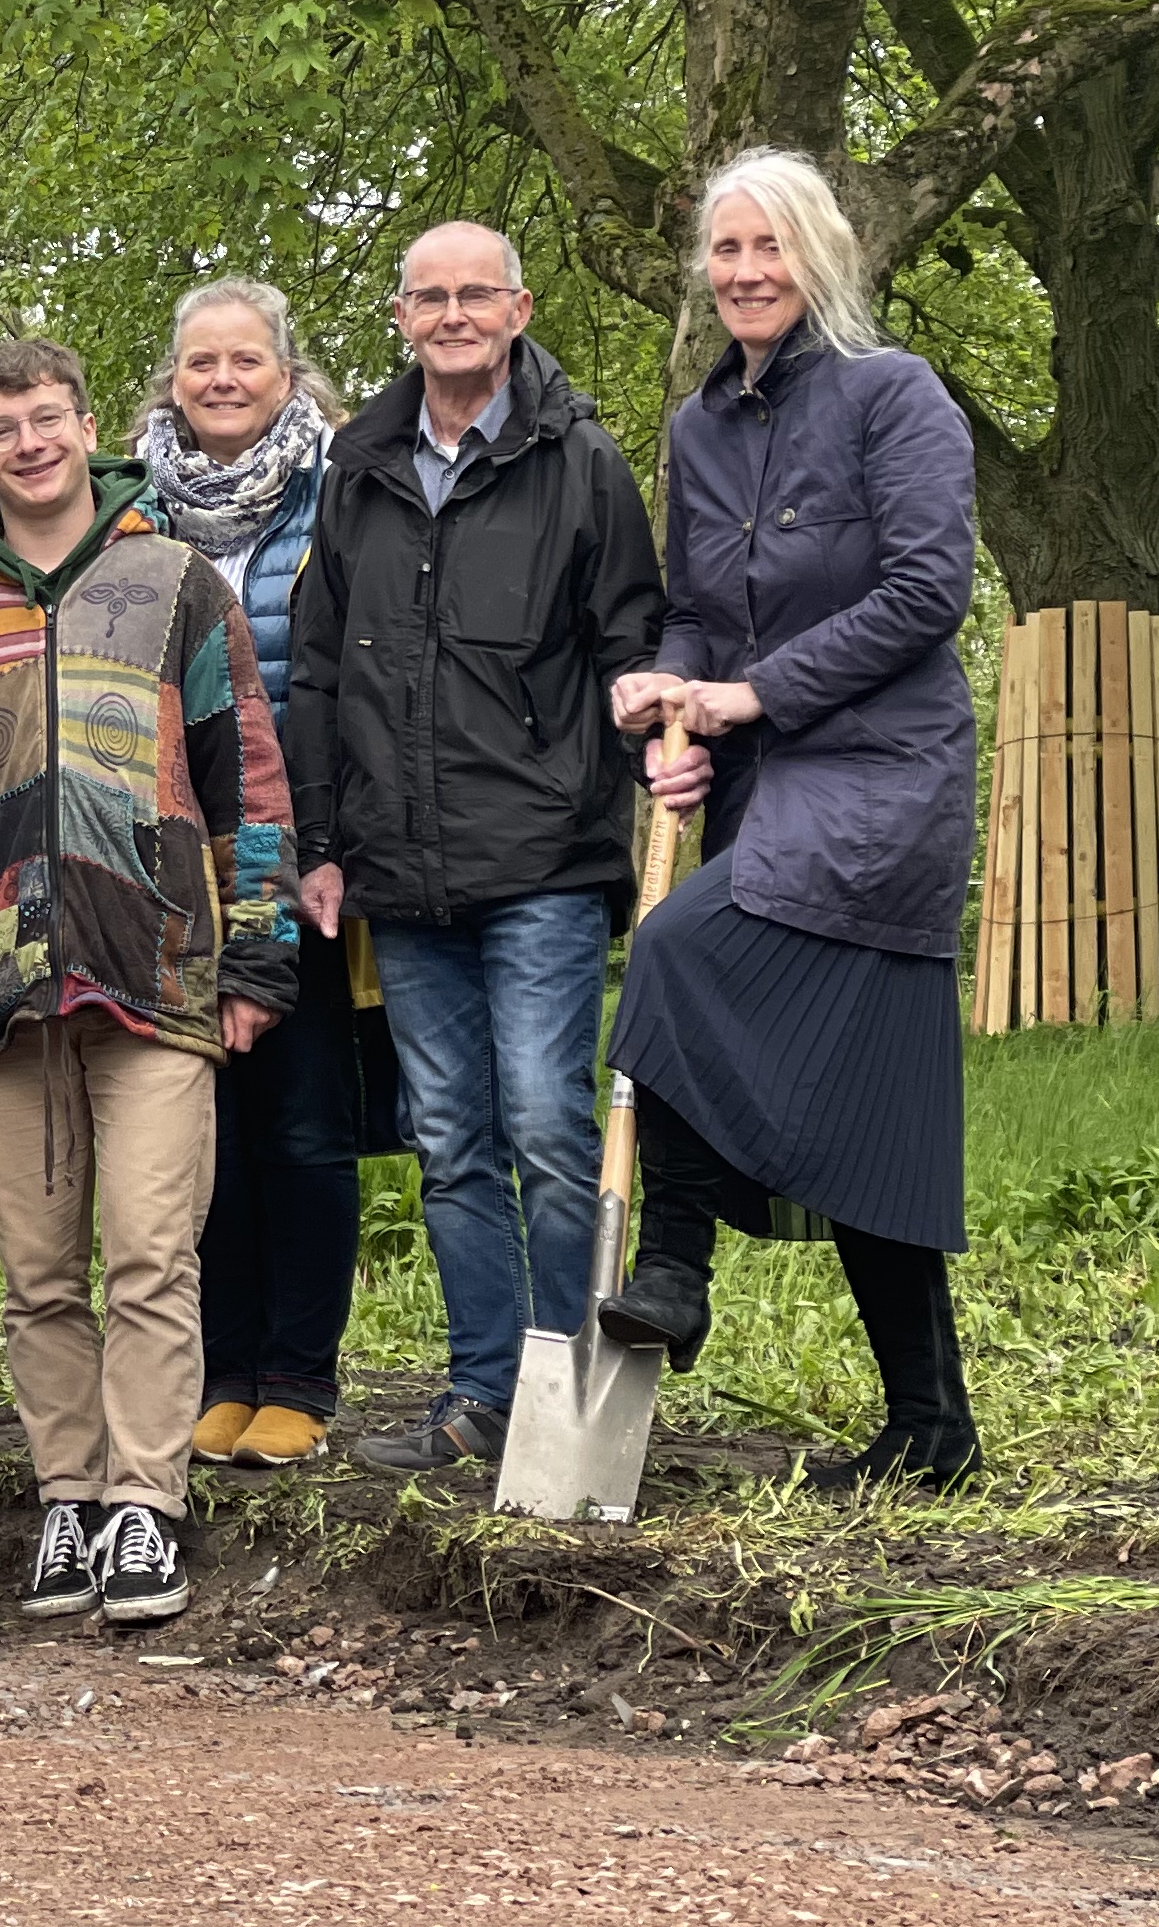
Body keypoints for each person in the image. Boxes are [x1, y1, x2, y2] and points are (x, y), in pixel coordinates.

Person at [0, 339, 296, 1625]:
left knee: (150, 1256)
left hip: (155, 965)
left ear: (88, 422)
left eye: (47, 418)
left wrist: (260, 946)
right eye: (2, 428)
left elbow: (248, 773)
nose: (29, 444)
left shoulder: (174, 580)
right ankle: (67, 1496)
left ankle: (145, 1508)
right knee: (38, 1271)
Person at [597, 149, 980, 1488]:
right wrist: (672, 700)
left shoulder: (894, 398)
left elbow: (930, 593)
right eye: (727, 251)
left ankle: (675, 1266)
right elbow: (699, 605)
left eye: (772, 248)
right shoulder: (700, 425)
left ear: (823, 260)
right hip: (769, 789)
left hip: (883, 779)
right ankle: (933, 1426)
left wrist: (750, 695)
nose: (747, 272)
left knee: (679, 952)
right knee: (872, 1110)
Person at [280, 223, 666, 1474]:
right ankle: (482, 1395)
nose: (453, 314)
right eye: (429, 297)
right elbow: (325, 669)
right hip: (399, 872)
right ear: (400, 317)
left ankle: (566, 1391)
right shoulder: (362, 467)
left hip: (543, 863)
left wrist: (626, 783)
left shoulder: (582, 463)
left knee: (550, 1126)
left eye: (475, 295)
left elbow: (626, 646)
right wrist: (328, 841)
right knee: (448, 1140)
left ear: (517, 307)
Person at [135, 281, 360, 1471]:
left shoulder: (343, 493)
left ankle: (300, 1376)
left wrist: (331, 843)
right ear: (171, 379)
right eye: (200, 363)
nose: (222, 381)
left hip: (301, 841)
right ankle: (225, 1371)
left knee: (302, 1120)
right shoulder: (127, 513)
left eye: (246, 363)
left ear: (288, 374)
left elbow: (361, 675)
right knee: (200, 1126)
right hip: (166, 856)